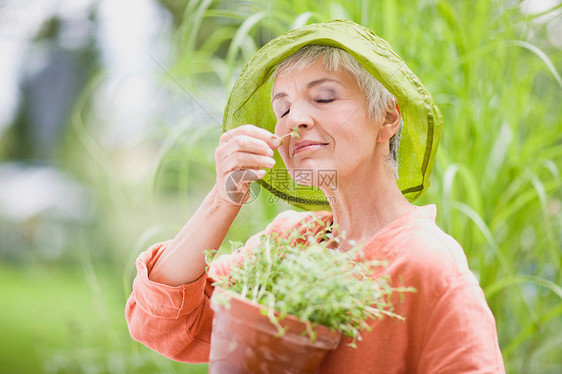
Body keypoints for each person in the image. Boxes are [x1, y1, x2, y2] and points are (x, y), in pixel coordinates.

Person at [125, 19, 505, 373]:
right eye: (283, 108)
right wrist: (224, 197)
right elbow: (161, 322)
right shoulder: (287, 244)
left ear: (388, 117)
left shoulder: (429, 266)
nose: (294, 119)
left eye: (324, 98)